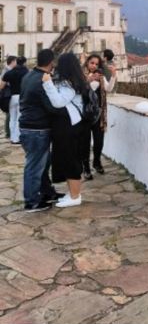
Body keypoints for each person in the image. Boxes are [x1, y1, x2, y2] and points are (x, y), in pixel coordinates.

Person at [42, 52, 89, 208]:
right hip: (67, 126)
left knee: (71, 161)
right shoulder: (70, 81)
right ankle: (72, 193)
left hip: (70, 127)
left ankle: (75, 196)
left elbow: (58, 102)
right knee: (67, 159)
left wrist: (48, 83)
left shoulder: (70, 83)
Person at [19, 49, 64, 212]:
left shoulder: (29, 76)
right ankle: (31, 201)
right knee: (35, 166)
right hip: (37, 129)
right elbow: (52, 106)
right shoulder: (42, 81)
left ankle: (47, 193)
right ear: (51, 62)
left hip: (28, 127)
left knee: (42, 164)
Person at [81, 54, 112, 178]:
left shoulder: (100, 76)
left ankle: (97, 162)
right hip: (85, 114)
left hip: (98, 114)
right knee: (85, 142)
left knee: (99, 141)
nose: (94, 66)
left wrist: (114, 75)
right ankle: (86, 167)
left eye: (96, 64)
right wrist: (88, 80)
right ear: (87, 63)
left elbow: (108, 89)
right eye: (92, 63)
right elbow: (79, 90)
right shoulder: (81, 76)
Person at [1, 56, 28, 144]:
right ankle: (17, 138)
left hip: (12, 97)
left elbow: (1, 85)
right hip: (21, 96)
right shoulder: (26, 72)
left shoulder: (9, 73)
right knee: (19, 118)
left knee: (12, 118)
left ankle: (12, 138)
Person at [1, 56, 17, 138]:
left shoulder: (8, 70)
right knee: (9, 114)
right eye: (15, 61)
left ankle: (10, 132)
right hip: (7, 94)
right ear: (12, 62)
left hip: (10, 94)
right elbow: (2, 84)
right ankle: (8, 132)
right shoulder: (6, 71)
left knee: (10, 114)